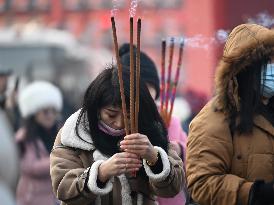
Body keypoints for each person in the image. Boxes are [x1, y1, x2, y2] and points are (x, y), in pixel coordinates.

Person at [50, 66, 184, 205]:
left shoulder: (149, 130)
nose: (120, 123)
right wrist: (101, 173)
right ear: (96, 108)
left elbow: (172, 189)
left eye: (128, 116)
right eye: (111, 114)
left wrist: (154, 158)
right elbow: (62, 189)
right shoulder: (74, 134)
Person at [186, 23, 274, 205]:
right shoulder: (213, 118)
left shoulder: (269, 107)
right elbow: (201, 183)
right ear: (244, 68)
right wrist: (256, 193)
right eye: (267, 62)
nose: (273, 68)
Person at [119, 43, 188, 205]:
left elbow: (193, 155)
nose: (146, 94)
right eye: (141, 88)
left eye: (150, 88)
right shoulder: (119, 119)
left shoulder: (169, 120)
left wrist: (178, 149)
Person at [16, 81, 63, 205]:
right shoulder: (24, 137)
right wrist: (60, 160)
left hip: (58, 198)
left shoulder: (62, 132)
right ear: (34, 112)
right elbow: (29, 166)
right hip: (33, 200)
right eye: (46, 111)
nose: (50, 115)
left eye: (54, 111)